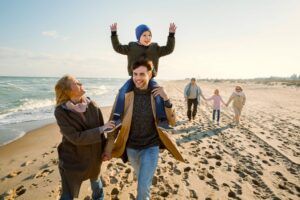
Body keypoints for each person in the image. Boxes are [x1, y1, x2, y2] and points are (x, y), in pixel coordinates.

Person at [105, 59, 184, 200]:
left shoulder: (158, 95)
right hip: (131, 148)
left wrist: (166, 99)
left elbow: (172, 121)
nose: (137, 78)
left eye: (142, 74)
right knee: (142, 178)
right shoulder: (125, 95)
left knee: (142, 186)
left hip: (151, 146)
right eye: (135, 74)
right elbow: (113, 124)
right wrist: (108, 149)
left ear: (150, 74)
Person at [54, 75, 115, 200]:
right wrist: (101, 128)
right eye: (76, 83)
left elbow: (102, 134)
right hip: (73, 159)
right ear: (67, 90)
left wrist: (105, 150)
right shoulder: (61, 111)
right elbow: (76, 138)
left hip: (94, 156)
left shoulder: (92, 104)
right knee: (67, 194)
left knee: (97, 187)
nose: (81, 83)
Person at [109, 22, 177, 130]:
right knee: (122, 91)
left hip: (150, 79)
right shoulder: (132, 46)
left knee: (158, 93)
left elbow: (169, 49)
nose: (147, 37)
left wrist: (171, 35)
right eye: (144, 35)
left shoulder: (155, 47)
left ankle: (162, 120)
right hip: (134, 78)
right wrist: (114, 34)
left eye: (149, 35)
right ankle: (117, 117)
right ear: (138, 36)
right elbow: (118, 48)